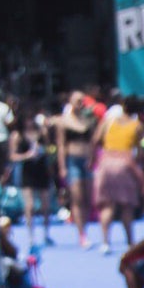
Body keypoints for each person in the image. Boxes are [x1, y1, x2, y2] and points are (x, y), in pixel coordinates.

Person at [92, 95, 144, 254]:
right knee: (126, 206)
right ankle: (129, 241)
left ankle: (105, 242)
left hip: (106, 163)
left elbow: (96, 140)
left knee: (107, 205)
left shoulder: (108, 121)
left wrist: (92, 159)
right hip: (125, 164)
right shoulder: (137, 126)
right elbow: (141, 152)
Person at [57, 89, 101, 249]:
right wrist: (62, 166)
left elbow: (93, 142)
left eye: (82, 101)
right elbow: (61, 145)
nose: (80, 104)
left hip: (86, 160)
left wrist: (93, 159)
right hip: (72, 160)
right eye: (77, 101)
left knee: (88, 198)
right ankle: (81, 233)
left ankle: (85, 227)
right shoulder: (64, 121)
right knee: (77, 197)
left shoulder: (88, 120)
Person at [8, 112, 54, 250]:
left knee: (46, 205)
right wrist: (27, 155)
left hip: (41, 169)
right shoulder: (17, 136)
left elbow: (50, 149)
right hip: (27, 171)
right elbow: (12, 156)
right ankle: (31, 236)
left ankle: (46, 233)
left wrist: (44, 151)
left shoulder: (42, 133)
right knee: (29, 205)